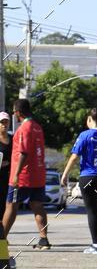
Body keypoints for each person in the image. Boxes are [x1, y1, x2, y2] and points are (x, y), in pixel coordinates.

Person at [61, 108, 97, 254]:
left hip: (88, 176)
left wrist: (65, 174)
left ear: (89, 119)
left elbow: (75, 156)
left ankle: (95, 245)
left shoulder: (84, 135)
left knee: (91, 211)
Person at [2, 98, 49, 249]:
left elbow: (23, 152)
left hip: (23, 176)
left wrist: (16, 174)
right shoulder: (37, 127)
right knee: (37, 205)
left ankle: (1, 239)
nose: (14, 115)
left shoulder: (24, 128)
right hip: (38, 174)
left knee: (11, 206)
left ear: (18, 112)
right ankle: (43, 239)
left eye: (14, 112)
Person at [0, 111, 13, 222]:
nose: (4, 124)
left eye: (6, 122)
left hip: (8, 177)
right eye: (2, 122)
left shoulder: (12, 139)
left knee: (6, 206)